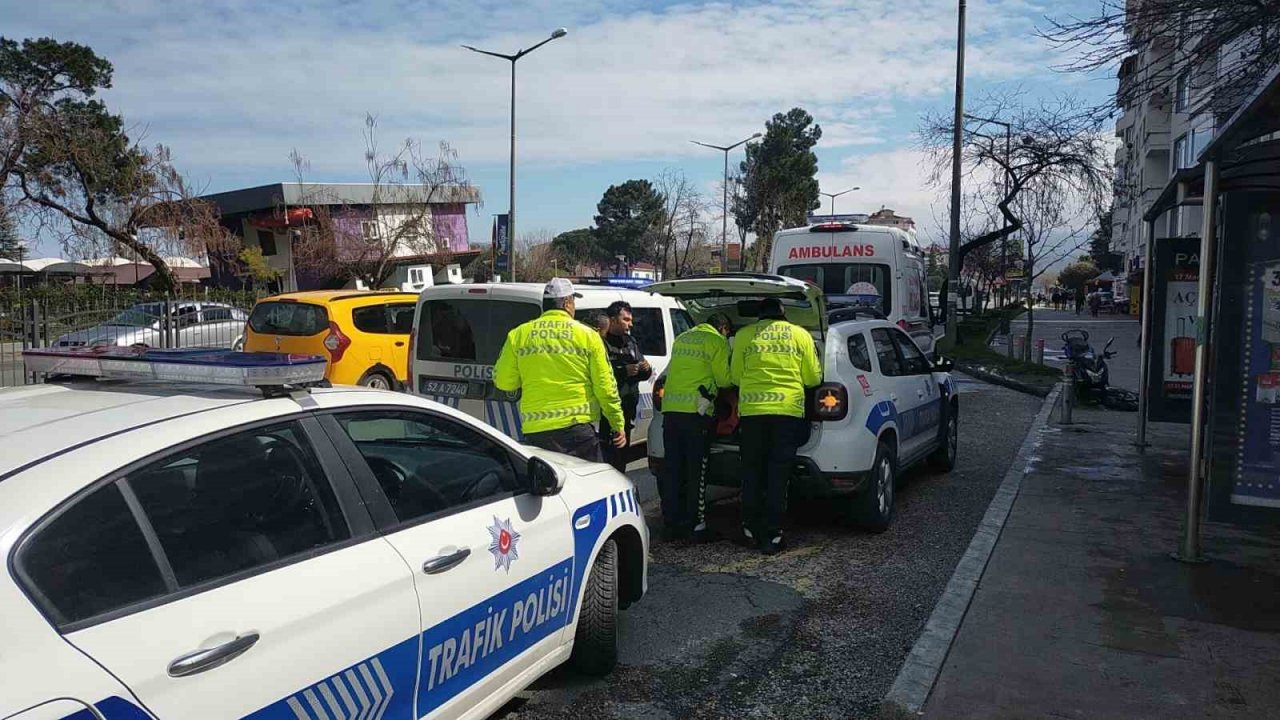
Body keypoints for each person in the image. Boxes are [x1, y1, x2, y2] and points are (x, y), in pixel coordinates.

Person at [495, 278, 625, 461]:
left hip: (537, 431)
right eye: (574, 302)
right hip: (577, 430)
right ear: (567, 303)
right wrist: (617, 422)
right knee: (587, 479)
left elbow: (503, 382)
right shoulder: (588, 335)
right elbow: (605, 386)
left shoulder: (518, 334)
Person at [730, 298, 822, 554]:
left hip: (752, 413)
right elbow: (813, 378)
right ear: (784, 314)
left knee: (751, 472)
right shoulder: (800, 335)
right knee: (778, 474)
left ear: (759, 315)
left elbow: (735, 376)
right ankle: (774, 534)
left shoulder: (744, 335)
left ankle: (749, 529)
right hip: (787, 413)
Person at [659, 312, 733, 542]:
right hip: (695, 414)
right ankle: (696, 526)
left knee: (673, 469)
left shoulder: (682, 338)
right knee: (695, 471)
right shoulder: (717, 341)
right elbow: (724, 380)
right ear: (723, 328)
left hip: (671, 411)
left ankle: (671, 525)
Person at [600, 300, 652, 472]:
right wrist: (623, 371)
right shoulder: (601, 343)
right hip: (607, 413)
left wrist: (645, 369)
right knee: (609, 461)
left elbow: (642, 371)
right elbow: (599, 375)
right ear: (613, 320)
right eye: (626, 320)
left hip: (627, 410)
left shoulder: (630, 341)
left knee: (621, 459)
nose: (630, 324)